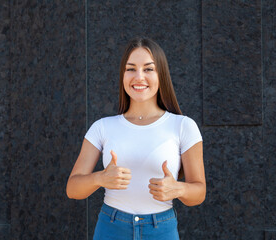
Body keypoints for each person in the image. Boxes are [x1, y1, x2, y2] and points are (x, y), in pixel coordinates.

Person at [66, 37, 206, 240]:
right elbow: (72, 189)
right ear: (123, 75)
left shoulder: (183, 126)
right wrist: (100, 178)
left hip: (161, 230)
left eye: (148, 69)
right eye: (131, 69)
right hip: (111, 228)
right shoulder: (103, 127)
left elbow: (199, 193)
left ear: (161, 75)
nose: (139, 77)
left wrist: (178, 189)